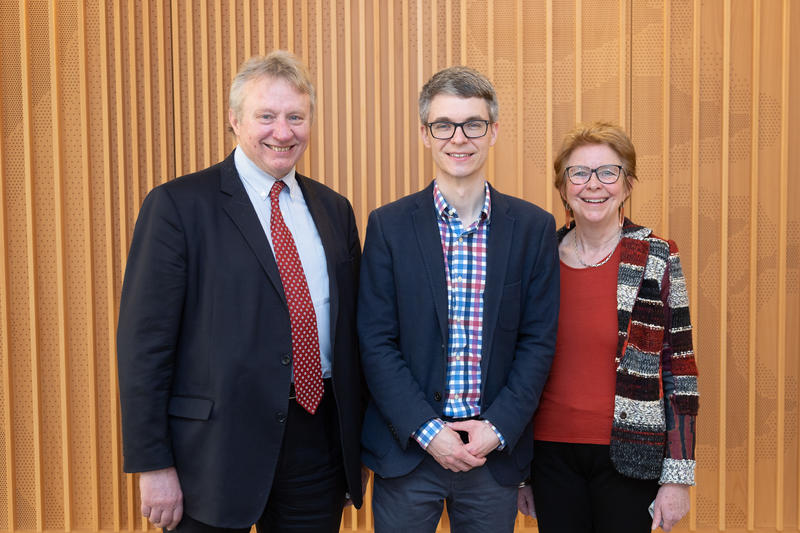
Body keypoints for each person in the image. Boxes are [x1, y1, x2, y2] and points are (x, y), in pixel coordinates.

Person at [117, 50, 365, 533]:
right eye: (266, 116)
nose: (283, 131)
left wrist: (357, 444)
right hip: (210, 455)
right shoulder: (178, 206)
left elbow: (353, 332)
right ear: (234, 120)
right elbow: (144, 346)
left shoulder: (335, 210)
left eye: (296, 116)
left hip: (317, 445)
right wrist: (153, 464)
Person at [358, 65, 560, 533]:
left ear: (493, 132)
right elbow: (375, 341)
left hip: (492, 455)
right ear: (426, 135)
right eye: (444, 125)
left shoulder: (532, 229)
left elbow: (538, 342)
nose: (459, 138)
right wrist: (430, 433)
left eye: (473, 124)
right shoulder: (388, 227)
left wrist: (496, 428)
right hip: (409, 450)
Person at [517, 122, 699, 532]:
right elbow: (515, 363)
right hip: (549, 455)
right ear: (563, 187)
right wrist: (520, 472)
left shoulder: (657, 256)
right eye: (578, 173)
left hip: (633, 456)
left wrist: (677, 476)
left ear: (628, 183)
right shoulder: (537, 259)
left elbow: (680, 372)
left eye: (608, 172)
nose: (593, 185)